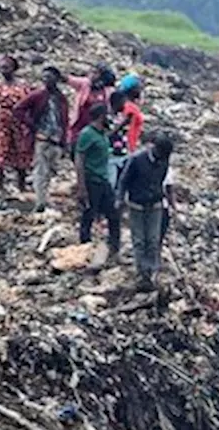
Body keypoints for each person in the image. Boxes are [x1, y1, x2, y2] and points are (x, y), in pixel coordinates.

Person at [117, 136, 174, 288]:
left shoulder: (164, 160)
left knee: (154, 240)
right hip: (137, 205)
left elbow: (162, 181)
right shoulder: (136, 160)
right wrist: (120, 199)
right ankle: (142, 273)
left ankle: (152, 271)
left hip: (155, 204)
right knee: (140, 240)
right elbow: (124, 181)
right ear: (156, 149)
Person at [15, 66, 70, 213]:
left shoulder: (61, 98)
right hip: (42, 139)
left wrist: (64, 141)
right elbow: (18, 109)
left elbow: (64, 120)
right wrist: (33, 127)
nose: (46, 80)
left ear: (57, 79)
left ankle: (44, 198)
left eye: (49, 77)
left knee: (50, 171)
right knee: (40, 171)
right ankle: (40, 202)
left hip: (56, 139)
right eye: (44, 77)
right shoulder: (38, 95)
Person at [75, 104, 121, 263]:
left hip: (103, 180)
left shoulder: (101, 134)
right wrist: (81, 187)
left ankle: (114, 246)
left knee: (113, 214)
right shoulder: (87, 134)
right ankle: (84, 247)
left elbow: (109, 136)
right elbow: (79, 160)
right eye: (106, 115)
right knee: (89, 214)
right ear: (101, 116)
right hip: (92, 180)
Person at [0, 55, 32, 193]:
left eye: (6, 67)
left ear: (13, 68)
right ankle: (0, 186)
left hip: (19, 126)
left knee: (21, 156)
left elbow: (29, 104)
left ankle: (21, 185)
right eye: (2, 67)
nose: (3, 70)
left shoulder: (22, 87)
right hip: (3, 127)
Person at [67, 63, 116, 150]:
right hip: (80, 123)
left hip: (95, 126)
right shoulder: (85, 84)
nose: (91, 75)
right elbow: (70, 80)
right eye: (92, 72)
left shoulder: (107, 92)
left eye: (95, 73)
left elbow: (111, 108)